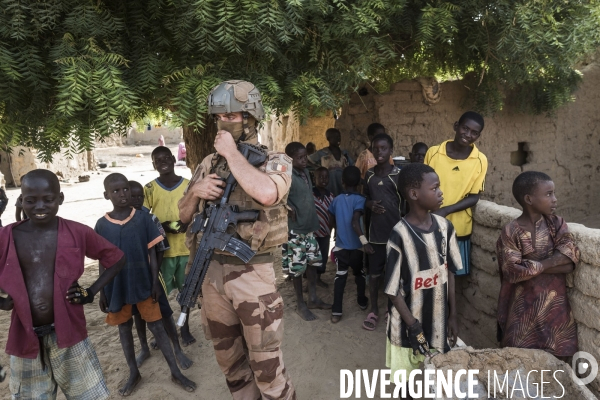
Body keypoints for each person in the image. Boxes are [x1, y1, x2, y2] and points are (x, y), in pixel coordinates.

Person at [178, 80, 295, 399]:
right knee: (232, 368)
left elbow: (267, 193)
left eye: (232, 115)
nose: (224, 122)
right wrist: (196, 193)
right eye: (219, 117)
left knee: (268, 371)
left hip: (253, 277)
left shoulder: (277, 161)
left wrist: (231, 154)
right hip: (211, 276)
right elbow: (184, 214)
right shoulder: (206, 164)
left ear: (251, 117)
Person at [0, 169, 126, 400]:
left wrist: (91, 292)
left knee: (88, 395)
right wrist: (1, 302)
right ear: (20, 200)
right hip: (25, 338)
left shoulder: (76, 231)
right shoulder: (6, 236)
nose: (40, 206)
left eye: (48, 200)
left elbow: (117, 258)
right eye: (31, 200)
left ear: (60, 199)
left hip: (70, 334)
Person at [95, 173, 195, 396]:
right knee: (124, 328)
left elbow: (152, 253)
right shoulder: (102, 225)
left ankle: (174, 371)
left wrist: (153, 283)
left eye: (125, 190)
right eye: (116, 191)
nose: (122, 194)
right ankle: (133, 372)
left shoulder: (143, 219)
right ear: (106, 195)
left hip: (143, 283)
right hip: (116, 286)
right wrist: (103, 292)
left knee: (157, 325)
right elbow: (104, 260)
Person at [385, 163, 462, 384]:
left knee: (438, 376)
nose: (440, 192)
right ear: (414, 194)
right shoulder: (399, 235)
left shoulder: (445, 228)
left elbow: (451, 273)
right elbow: (392, 290)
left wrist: (452, 315)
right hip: (406, 324)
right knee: (405, 381)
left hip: (438, 321)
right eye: (435, 188)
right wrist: (413, 325)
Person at [496, 171, 579, 360]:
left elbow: (570, 261)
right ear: (529, 199)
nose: (555, 199)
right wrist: (552, 262)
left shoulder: (556, 224)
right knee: (518, 364)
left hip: (556, 315)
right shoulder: (511, 231)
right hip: (521, 313)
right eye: (548, 194)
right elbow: (513, 272)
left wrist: (532, 266)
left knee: (558, 366)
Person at [128, 181, 193, 370]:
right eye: (133, 197)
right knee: (137, 314)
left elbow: (160, 249)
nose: (137, 200)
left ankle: (177, 348)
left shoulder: (151, 220)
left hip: (152, 275)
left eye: (140, 196)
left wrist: (155, 277)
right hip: (131, 277)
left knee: (164, 310)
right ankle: (144, 348)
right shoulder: (118, 221)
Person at [425, 111, 488, 276]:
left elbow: (474, 196)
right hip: (429, 223)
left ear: (478, 136)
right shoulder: (434, 153)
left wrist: (445, 210)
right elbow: (422, 186)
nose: (468, 135)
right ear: (456, 126)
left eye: (474, 132)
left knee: (453, 273)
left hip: (458, 227)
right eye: (465, 128)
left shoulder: (480, 160)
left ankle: (449, 302)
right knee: (429, 271)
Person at [143, 146, 194, 346]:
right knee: (161, 295)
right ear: (153, 164)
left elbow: (199, 211)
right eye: (158, 160)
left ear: (174, 159)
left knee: (186, 294)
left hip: (185, 250)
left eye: (166, 158)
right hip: (161, 254)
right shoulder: (149, 189)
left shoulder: (189, 186)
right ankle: (166, 330)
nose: (163, 162)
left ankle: (185, 327)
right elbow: (143, 218)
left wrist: (187, 223)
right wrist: (160, 227)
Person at [283, 142, 332, 321]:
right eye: (300, 158)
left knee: (312, 263)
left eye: (305, 157)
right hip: (296, 230)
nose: (304, 160)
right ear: (290, 159)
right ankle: (300, 304)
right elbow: (278, 197)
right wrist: (288, 206)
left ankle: (312, 298)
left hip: (310, 227)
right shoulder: (286, 175)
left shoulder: (304, 173)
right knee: (296, 268)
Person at [363, 133, 403, 331]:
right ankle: (373, 310)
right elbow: (363, 200)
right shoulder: (369, 175)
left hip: (395, 235)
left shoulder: (398, 175)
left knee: (393, 274)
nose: (379, 152)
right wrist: (369, 204)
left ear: (391, 151)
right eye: (375, 149)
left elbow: (405, 204)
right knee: (374, 275)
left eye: (383, 148)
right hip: (375, 236)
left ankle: (390, 308)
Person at [328, 166, 373, 323]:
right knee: (359, 274)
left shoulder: (336, 200)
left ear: (342, 182)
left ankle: (336, 312)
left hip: (341, 247)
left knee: (340, 278)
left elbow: (331, 221)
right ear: (360, 183)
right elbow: (355, 222)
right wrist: (364, 242)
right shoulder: (360, 200)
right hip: (357, 248)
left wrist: (335, 234)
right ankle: (361, 300)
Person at [309, 128, 354, 196]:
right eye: (335, 137)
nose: (338, 139)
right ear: (328, 139)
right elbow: (308, 160)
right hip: (328, 188)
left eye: (339, 137)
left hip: (342, 188)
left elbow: (352, 166)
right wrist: (318, 169)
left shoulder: (344, 154)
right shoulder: (322, 153)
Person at [312, 166, 335, 288]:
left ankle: (318, 278)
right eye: (320, 177)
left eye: (326, 177)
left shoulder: (330, 196)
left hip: (326, 232)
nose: (323, 180)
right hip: (312, 233)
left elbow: (332, 213)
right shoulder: (310, 195)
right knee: (312, 256)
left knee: (323, 256)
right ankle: (311, 281)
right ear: (314, 178)